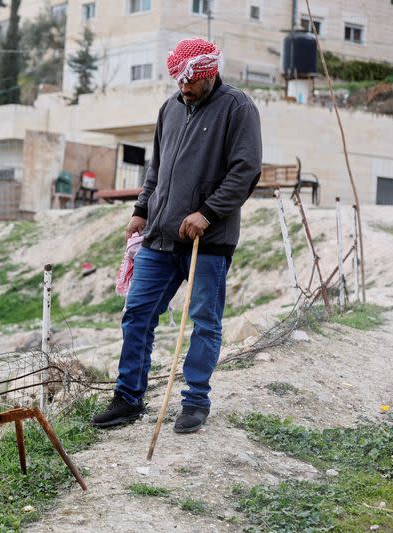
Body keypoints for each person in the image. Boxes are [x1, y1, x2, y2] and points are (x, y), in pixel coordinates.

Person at [91, 38, 262, 433]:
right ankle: (128, 398)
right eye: (179, 82)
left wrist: (208, 213)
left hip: (209, 240)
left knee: (204, 321)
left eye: (191, 82)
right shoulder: (169, 108)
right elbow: (157, 170)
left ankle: (195, 401)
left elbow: (246, 170)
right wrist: (140, 210)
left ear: (209, 74)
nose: (184, 88)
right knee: (137, 314)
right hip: (160, 236)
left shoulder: (238, 108)